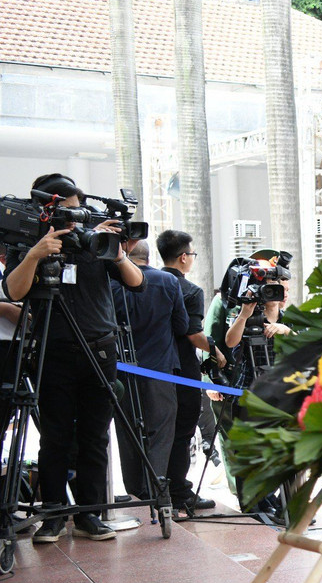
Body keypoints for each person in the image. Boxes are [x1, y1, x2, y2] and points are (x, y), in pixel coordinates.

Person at [3, 173, 146, 543]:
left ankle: (89, 515)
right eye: (68, 210)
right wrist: (36, 253)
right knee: (55, 436)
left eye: (78, 210)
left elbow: (135, 282)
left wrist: (116, 251)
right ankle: (53, 514)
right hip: (52, 349)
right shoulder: (29, 241)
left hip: (100, 348)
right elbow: (14, 291)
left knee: (96, 435)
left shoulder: (93, 242)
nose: (76, 217)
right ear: (46, 209)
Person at [111, 240, 186, 501]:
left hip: (120, 370)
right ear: (148, 256)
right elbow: (182, 324)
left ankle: (135, 492)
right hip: (160, 369)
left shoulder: (110, 284)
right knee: (161, 432)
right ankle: (156, 491)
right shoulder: (168, 282)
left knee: (127, 431)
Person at [157, 230, 220, 513]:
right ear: (184, 257)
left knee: (157, 432)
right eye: (191, 255)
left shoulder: (144, 282)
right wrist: (218, 353)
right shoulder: (190, 290)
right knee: (183, 431)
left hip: (151, 369)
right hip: (182, 370)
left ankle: (155, 489)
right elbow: (194, 335)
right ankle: (179, 492)